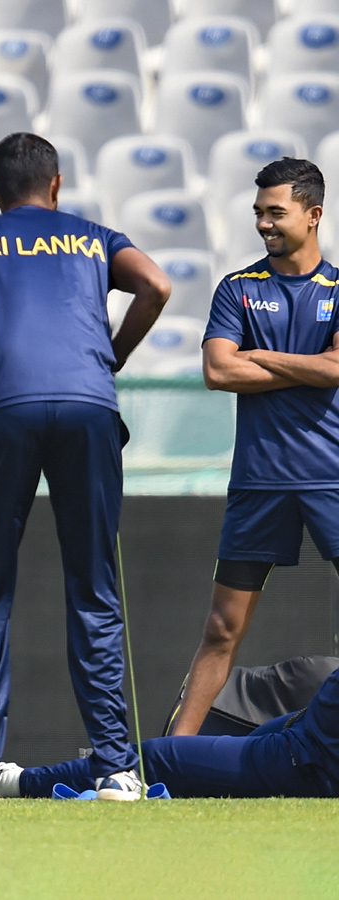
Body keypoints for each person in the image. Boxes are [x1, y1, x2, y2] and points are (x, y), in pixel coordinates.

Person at [0, 132, 172, 802]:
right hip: (88, 407)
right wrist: (111, 356)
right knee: (93, 585)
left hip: (4, 406)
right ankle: (116, 767)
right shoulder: (93, 237)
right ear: (56, 186)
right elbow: (157, 284)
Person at [169, 158, 339, 738]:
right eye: (259, 213)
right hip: (258, 481)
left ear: (314, 215)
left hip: (331, 479)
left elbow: (338, 367)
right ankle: (172, 757)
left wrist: (260, 355)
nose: (264, 224)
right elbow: (218, 371)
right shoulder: (237, 288)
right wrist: (311, 367)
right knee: (221, 628)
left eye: (277, 213)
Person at [0, 661, 339, 799]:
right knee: (211, 763)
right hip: (305, 733)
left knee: (154, 758)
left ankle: (6, 780)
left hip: (307, 756)